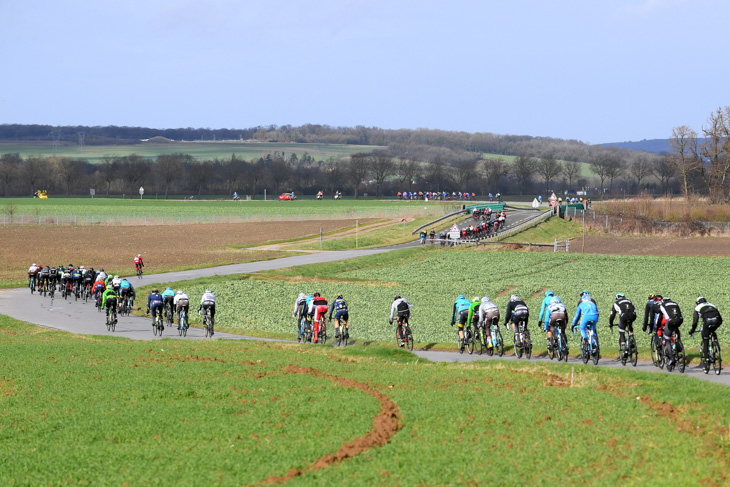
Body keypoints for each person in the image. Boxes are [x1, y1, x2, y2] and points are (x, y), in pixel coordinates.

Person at [690, 297, 723, 364]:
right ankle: (716, 345)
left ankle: (707, 359)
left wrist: (692, 330)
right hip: (717, 320)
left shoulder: (697, 308)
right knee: (712, 330)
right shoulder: (712, 305)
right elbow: (720, 318)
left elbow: (695, 322)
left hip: (707, 321)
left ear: (697, 303)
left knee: (706, 339)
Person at [656, 296, 684, 365]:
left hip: (670, 321)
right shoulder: (675, 303)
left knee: (667, 338)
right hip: (680, 320)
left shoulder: (662, 305)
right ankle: (678, 343)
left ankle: (672, 358)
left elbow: (660, 318)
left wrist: (657, 327)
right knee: (676, 328)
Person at [609, 293, 636, 358]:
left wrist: (611, 323)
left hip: (624, 316)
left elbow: (612, 315)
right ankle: (631, 336)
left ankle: (625, 349)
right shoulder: (629, 301)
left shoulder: (616, 303)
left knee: (621, 331)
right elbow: (634, 310)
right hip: (633, 315)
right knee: (630, 324)